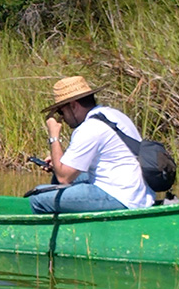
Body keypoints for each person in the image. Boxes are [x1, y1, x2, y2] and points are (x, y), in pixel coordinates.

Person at [28, 76, 154, 214]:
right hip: (138, 192)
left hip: (121, 196)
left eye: (61, 112)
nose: (62, 118)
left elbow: (64, 178)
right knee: (64, 177)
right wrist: (58, 163)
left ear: (73, 105)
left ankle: (62, 232)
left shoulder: (89, 128)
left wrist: (54, 136)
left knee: (38, 198)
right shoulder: (113, 115)